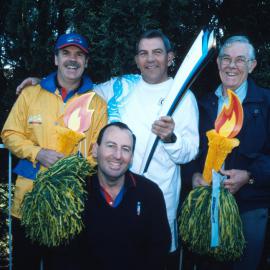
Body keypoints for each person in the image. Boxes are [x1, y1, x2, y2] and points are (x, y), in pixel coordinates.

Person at [16, 29, 199, 269]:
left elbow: (191, 152)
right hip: (113, 197)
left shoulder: (184, 96)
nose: (150, 59)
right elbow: (78, 91)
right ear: (136, 60)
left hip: (159, 198)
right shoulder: (122, 86)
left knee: (153, 258)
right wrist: (43, 84)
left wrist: (170, 138)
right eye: (143, 53)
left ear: (170, 57)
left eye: (157, 52)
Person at [1, 33, 107, 269]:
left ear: (86, 62)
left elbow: (97, 153)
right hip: (27, 204)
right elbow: (9, 134)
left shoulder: (97, 103)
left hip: (71, 207)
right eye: (66, 53)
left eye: (79, 55)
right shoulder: (31, 94)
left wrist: (70, 169)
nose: (73, 59)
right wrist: (38, 153)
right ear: (56, 59)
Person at [182, 35, 270, 270]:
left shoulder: (266, 103)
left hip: (250, 208)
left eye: (240, 60)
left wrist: (249, 175)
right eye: (226, 59)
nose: (232, 65)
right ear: (218, 64)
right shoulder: (201, 104)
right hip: (205, 209)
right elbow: (188, 151)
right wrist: (192, 176)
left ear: (252, 65)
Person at [60, 121, 170, 270]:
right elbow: (63, 254)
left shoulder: (150, 193)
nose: (118, 155)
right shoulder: (73, 191)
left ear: (131, 157)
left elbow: (159, 249)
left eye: (125, 149)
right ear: (95, 150)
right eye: (111, 146)